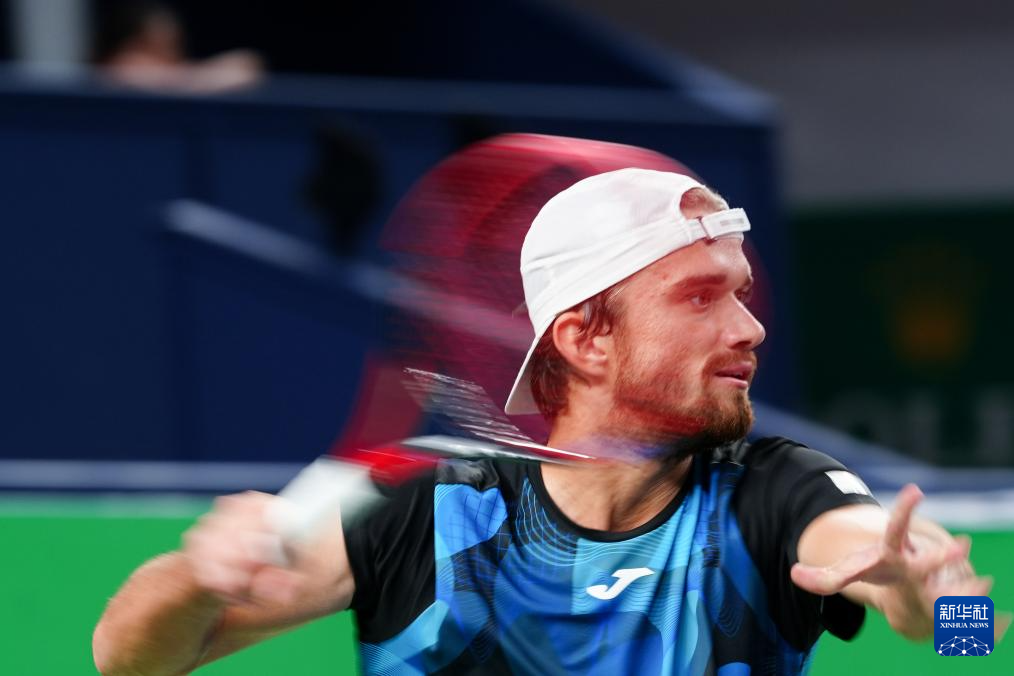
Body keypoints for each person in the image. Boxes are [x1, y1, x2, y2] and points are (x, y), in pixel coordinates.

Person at [93, 166, 990, 675]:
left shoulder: (777, 492)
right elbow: (124, 661)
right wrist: (196, 581)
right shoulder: (422, 502)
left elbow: (963, 637)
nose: (749, 328)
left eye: (742, 294)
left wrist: (940, 601)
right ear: (586, 337)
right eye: (699, 297)